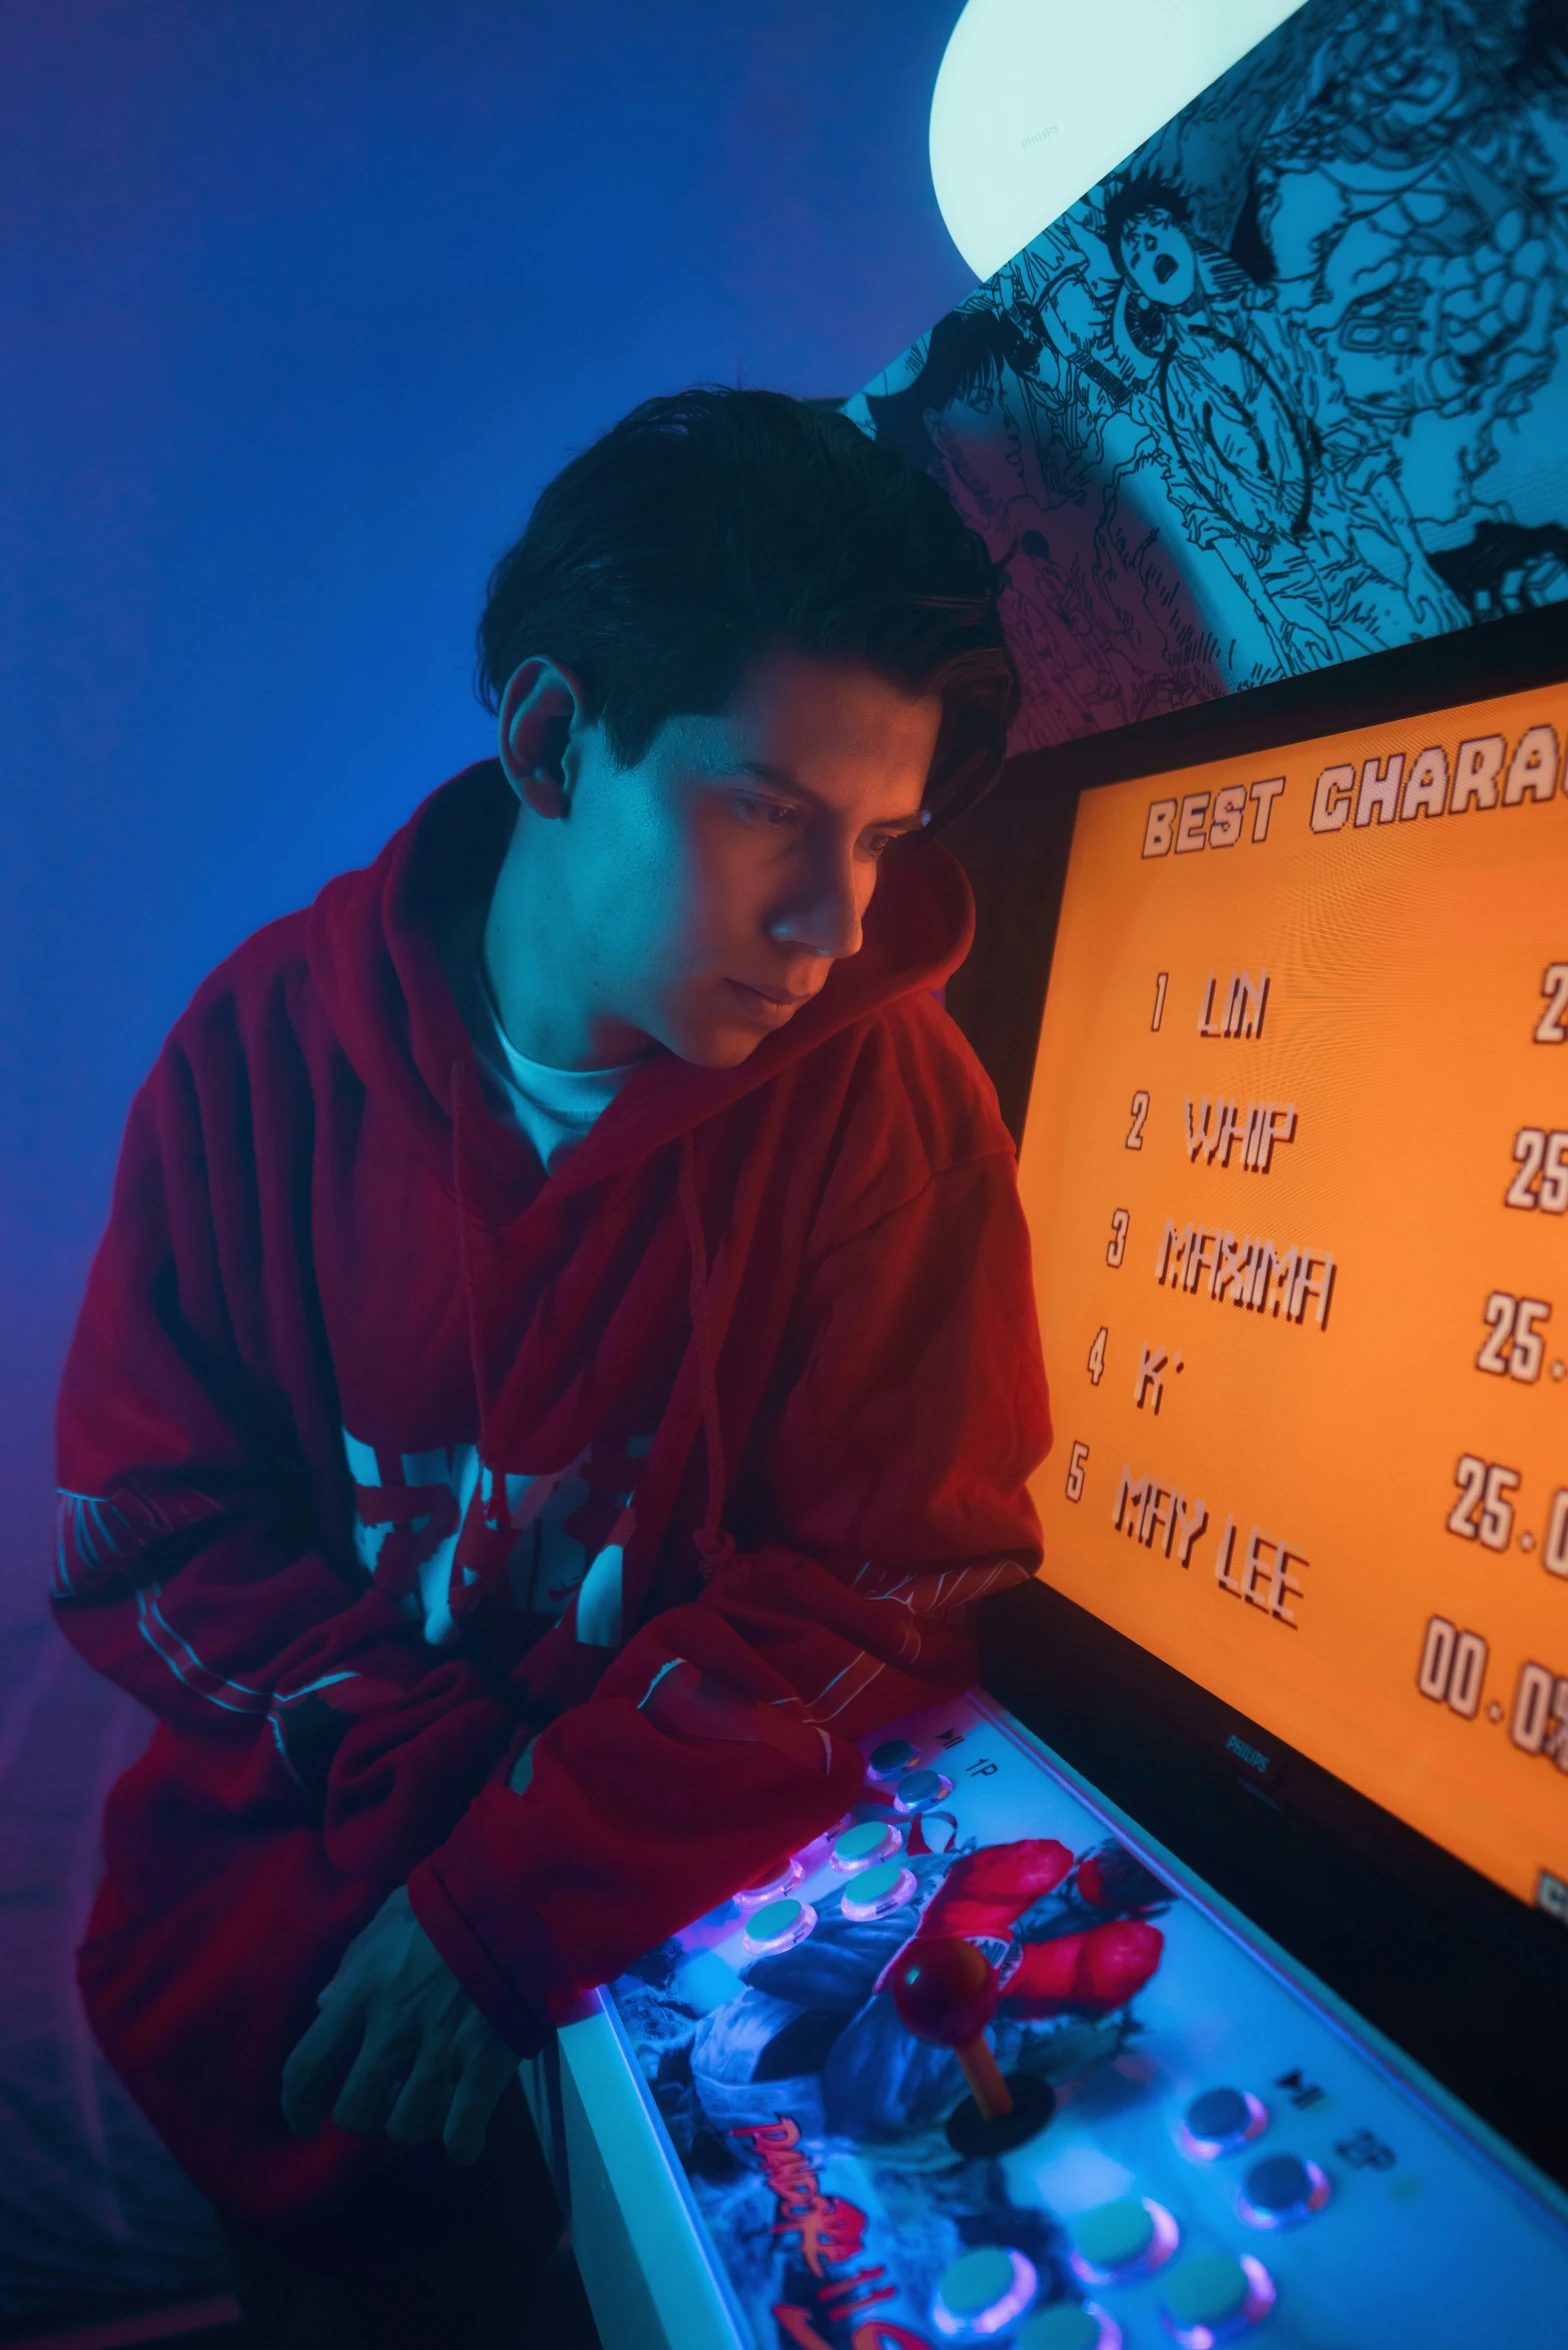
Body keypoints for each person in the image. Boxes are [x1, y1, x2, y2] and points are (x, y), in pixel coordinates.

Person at [52, 388, 1051, 2346]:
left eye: (882, 837)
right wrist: (453, 1831)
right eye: (765, 804)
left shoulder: (888, 1099)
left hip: (680, 1950)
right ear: (545, 737)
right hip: (297, 1965)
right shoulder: (257, 1049)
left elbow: (907, 1573)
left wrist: (518, 1888)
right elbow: (136, 1530)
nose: (829, 922)